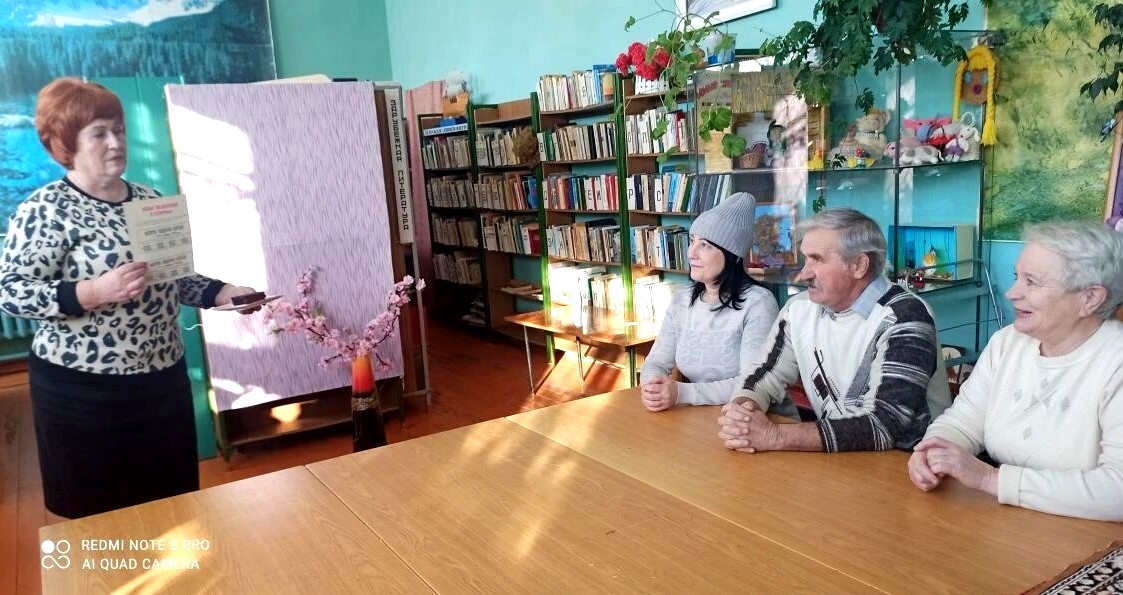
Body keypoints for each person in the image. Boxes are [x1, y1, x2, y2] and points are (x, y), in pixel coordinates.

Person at [0, 78, 262, 519]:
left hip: (161, 381)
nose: (115, 142)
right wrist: (91, 292)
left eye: (119, 130)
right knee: (97, 515)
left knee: (171, 503)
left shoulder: (150, 200)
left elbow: (174, 276)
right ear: (66, 143)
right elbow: (10, 291)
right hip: (83, 391)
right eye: (99, 133)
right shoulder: (44, 210)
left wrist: (223, 293)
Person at [909, 221, 1123, 521]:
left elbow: (1118, 492)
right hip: (1002, 518)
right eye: (1016, 277)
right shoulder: (1007, 342)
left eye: (1031, 282)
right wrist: (932, 451)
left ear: (1089, 298)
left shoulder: (1115, 360)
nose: (1011, 293)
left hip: (1089, 535)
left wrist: (991, 480)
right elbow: (963, 422)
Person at [718, 207, 951, 452]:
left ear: (859, 265)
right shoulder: (799, 309)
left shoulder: (905, 316)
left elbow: (885, 424)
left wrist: (775, 436)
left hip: (909, 464)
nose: (803, 274)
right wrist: (741, 412)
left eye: (816, 259)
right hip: (841, 459)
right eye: (805, 259)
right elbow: (765, 374)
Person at [640, 192, 779, 410]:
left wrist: (682, 393)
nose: (691, 253)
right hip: (702, 416)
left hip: (754, 417)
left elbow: (751, 383)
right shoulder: (683, 299)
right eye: (692, 241)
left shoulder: (758, 304)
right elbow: (656, 361)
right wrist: (653, 386)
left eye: (704, 245)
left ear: (732, 255)